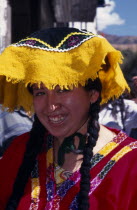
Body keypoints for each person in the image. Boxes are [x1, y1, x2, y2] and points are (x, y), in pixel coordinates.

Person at [0, 27, 137, 210]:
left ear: (93, 94)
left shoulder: (131, 165)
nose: (50, 106)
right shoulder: (20, 151)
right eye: (40, 92)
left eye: (62, 90)